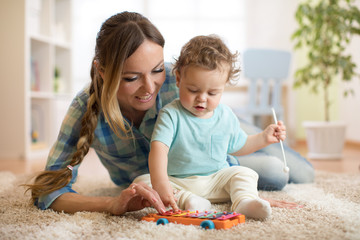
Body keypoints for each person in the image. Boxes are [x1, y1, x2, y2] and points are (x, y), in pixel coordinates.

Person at [24, 11, 313, 216]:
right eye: (131, 78)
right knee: (272, 174)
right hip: (172, 179)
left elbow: (219, 143)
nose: (149, 88)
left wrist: (243, 193)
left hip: (217, 132)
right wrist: (110, 205)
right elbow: (48, 191)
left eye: (158, 70)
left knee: (284, 173)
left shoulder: (185, 83)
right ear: (102, 70)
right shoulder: (84, 108)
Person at [133, 35, 288, 219]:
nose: (202, 98)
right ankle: (190, 201)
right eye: (193, 90)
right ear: (178, 79)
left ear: (223, 88)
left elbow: (239, 145)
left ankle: (244, 202)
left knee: (245, 173)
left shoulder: (226, 115)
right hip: (179, 182)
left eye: (212, 93)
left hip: (217, 180)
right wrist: (161, 184)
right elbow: (158, 150)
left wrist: (264, 137)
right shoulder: (171, 114)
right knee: (141, 183)